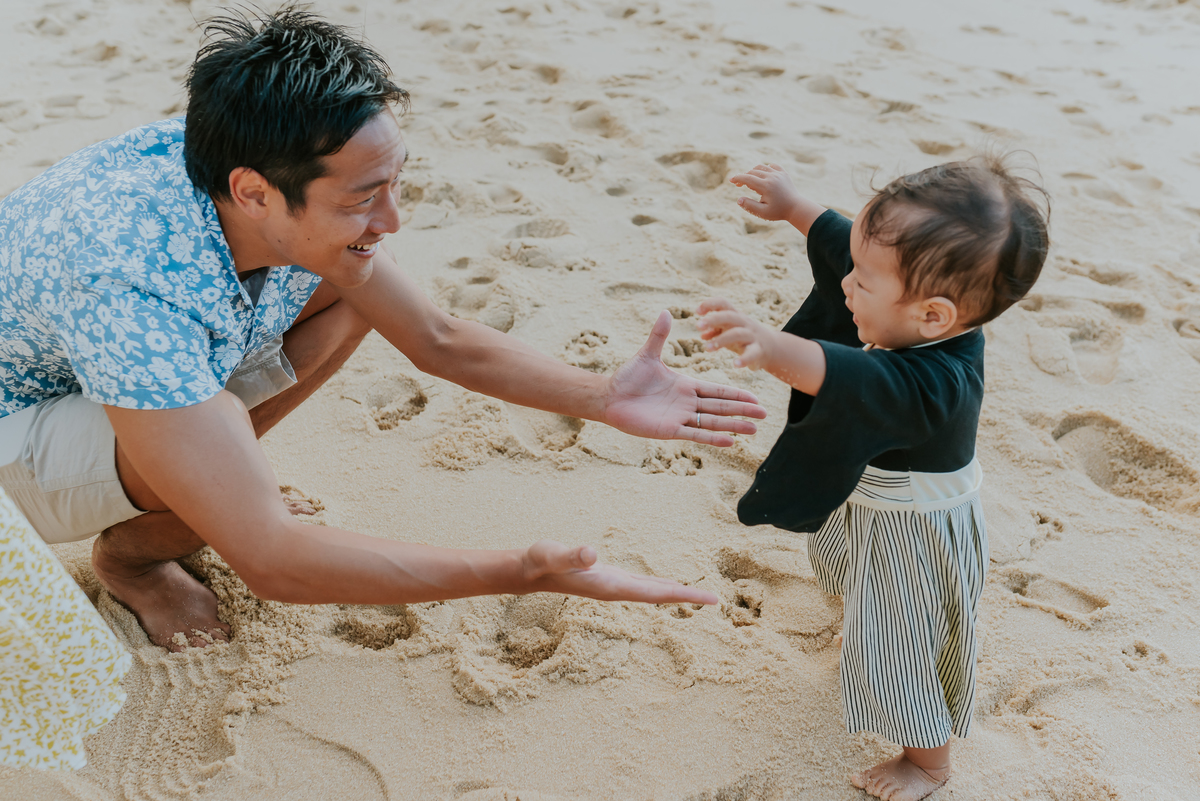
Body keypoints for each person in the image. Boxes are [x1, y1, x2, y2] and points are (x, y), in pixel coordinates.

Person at [0, 9, 767, 654]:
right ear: (254, 193)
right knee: (228, 442)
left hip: (113, 362)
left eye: (395, 180)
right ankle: (135, 560)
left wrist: (602, 394)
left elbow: (436, 335)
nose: (394, 218)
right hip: (15, 429)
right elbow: (273, 562)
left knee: (354, 289)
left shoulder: (258, 152)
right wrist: (521, 570)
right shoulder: (127, 277)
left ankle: (191, 496)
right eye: (366, 196)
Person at [696, 159, 1048, 801]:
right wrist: (797, 206)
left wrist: (771, 346)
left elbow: (850, 378)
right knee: (845, 574)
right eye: (853, 269)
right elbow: (844, 245)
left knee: (905, 646)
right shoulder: (909, 310)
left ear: (934, 316)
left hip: (915, 533)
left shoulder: (940, 382)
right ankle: (863, 623)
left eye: (863, 281)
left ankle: (928, 761)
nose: (847, 285)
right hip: (868, 501)